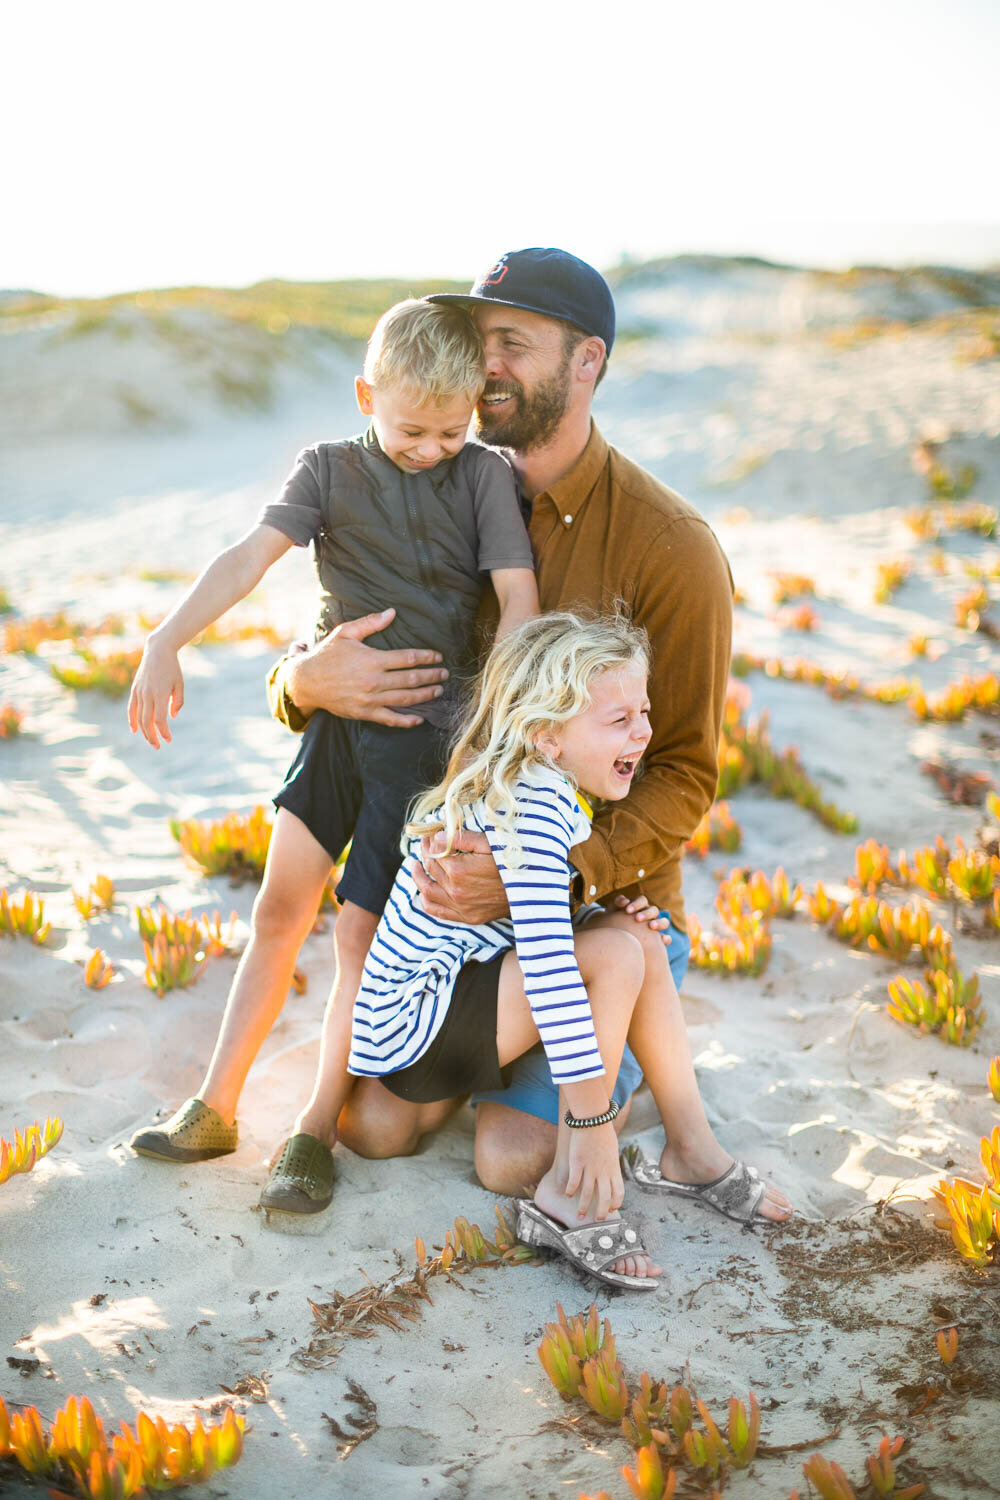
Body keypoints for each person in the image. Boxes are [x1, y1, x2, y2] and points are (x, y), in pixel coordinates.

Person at [266, 248, 791, 1227]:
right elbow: (354, 634)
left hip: (601, 903)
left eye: (512, 344)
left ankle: (624, 1040)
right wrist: (296, 683)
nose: (487, 366)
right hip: (462, 914)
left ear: (585, 362)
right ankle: (513, 1046)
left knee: (510, 1157)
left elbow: (681, 773)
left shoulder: (669, 548)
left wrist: (561, 875)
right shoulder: (445, 481)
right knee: (374, 1128)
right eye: (478, 344)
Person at [126, 298, 538, 1176]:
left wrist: (487, 738)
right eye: (411, 430)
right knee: (279, 910)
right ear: (365, 396)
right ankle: (218, 1104)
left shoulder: (484, 478)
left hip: (425, 749)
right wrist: (167, 639)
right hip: (333, 734)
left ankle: (312, 1129)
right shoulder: (325, 471)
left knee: (357, 937)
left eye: (450, 431)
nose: (430, 448)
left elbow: (519, 604)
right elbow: (247, 557)